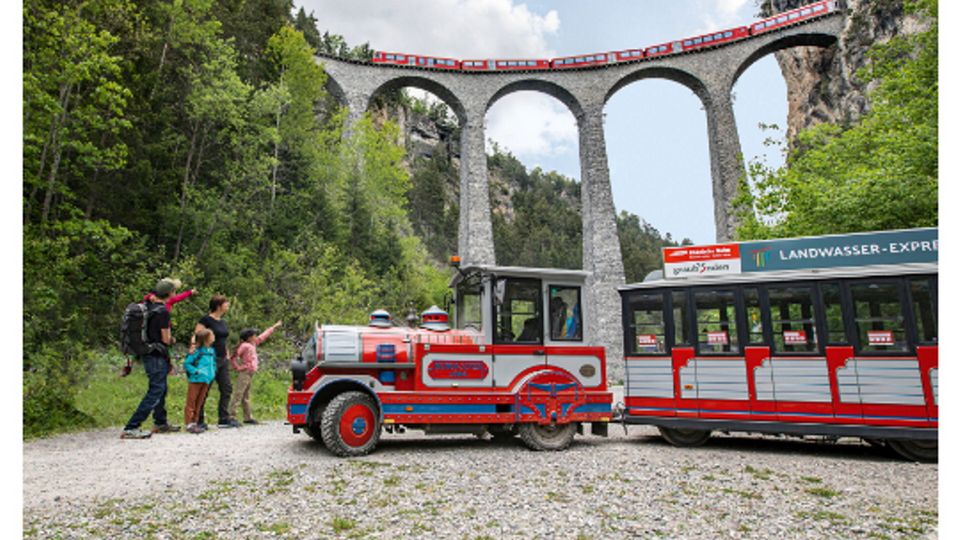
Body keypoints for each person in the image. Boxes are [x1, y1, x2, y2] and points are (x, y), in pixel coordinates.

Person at [121, 279, 182, 439]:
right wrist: (173, 340)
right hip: (156, 354)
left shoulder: (148, 306)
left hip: (147, 351)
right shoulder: (162, 311)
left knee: (161, 388)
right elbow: (166, 338)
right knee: (156, 390)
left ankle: (160, 422)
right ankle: (131, 427)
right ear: (171, 293)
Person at [194, 295, 239, 428]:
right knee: (204, 389)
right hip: (208, 358)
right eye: (226, 303)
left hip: (222, 358)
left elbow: (223, 339)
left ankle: (223, 418)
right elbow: (197, 335)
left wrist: (227, 354)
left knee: (226, 388)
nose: (228, 306)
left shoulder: (223, 322)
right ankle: (198, 419)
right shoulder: (206, 319)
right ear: (218, 305)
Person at [228, 320, 282, 425]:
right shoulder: (244, 346)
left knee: (246, 395)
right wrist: (238, 367)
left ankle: (247, 417)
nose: (256, 336)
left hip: (250, 373)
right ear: (249, 337)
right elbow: (233, 357)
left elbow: (263, 336)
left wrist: (274, 327)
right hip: (245, 373)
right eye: (254, 335)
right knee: (238, 394)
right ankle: (231, 416)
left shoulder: (253, 343)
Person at [183, 328, 216, 434]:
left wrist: (212, 374)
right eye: (212, 335)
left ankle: (195, 422)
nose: (213, 337)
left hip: (207, 379)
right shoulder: (197, 351)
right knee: (191, 401)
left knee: (200, 402)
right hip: (196, 379)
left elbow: (213, 364)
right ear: (206, 339)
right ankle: (189, 423)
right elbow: (187, 363)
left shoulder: (211, 351)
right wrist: (196, 372)